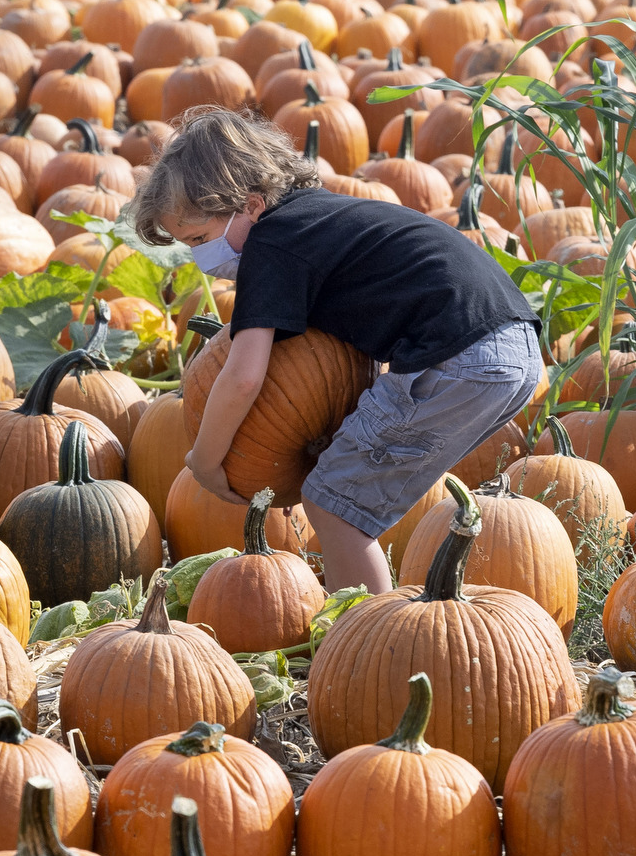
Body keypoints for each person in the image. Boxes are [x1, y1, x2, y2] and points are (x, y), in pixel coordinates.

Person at [134, 106, 544, 594]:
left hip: (461, 356)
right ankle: (369, 629)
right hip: (511, 346)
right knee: (349, 498)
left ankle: (370, 642)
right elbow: (352, 352)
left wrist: (203, 460)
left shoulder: (272, 244)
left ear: (251, 205)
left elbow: (244, 376)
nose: (202, 256)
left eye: (201, 238)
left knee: (332, 503)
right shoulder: (317, 220)